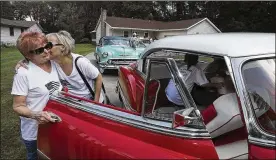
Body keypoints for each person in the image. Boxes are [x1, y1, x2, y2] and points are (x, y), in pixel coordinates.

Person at [12, 31, 62, 160]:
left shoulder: (55, 64)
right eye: (40, 50)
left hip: (54, 127)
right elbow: (18, 106)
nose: (46, 51)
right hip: (34, 132)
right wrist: (36, 115)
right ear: (28, 55)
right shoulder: (23, 73)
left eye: (47, 46)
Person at [17, 30, 106, 103]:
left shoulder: (80, 62)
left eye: (49, 46)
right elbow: (35, 58)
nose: (45, 50)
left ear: (62, 47)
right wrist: (24, 61)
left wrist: (96, 102)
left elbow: (98, 77)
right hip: (72, 103)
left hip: (89, 102)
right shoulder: (52, 62)